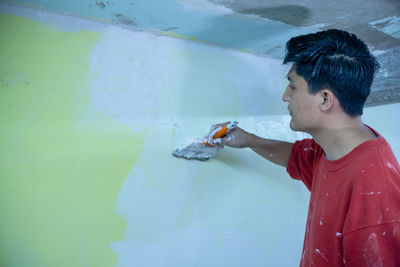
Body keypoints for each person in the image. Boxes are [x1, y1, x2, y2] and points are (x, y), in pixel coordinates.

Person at [208, 29, 400, 266]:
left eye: (293, 86)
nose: (285, 96)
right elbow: (298, 157)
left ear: (325, 100)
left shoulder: (373, 185)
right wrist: (250, 140)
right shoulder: (333, 148)